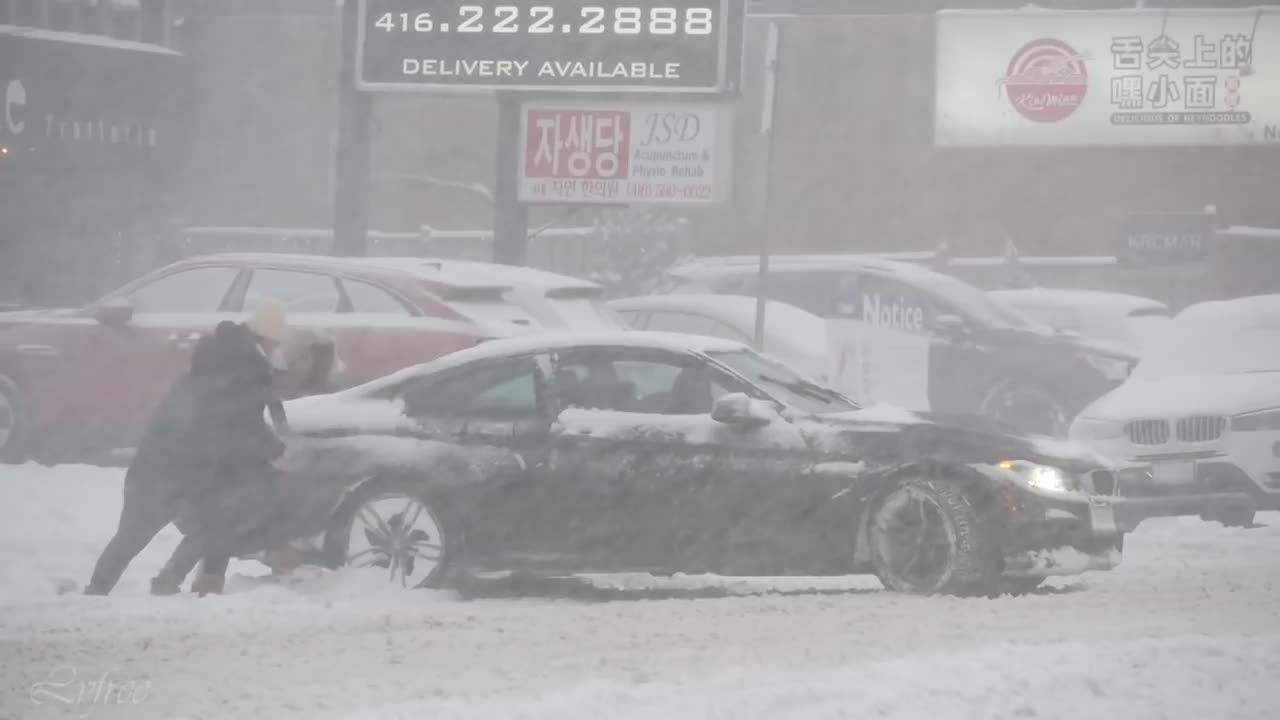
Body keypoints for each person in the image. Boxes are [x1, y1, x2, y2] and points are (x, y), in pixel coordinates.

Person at [84, 299, 292, 596]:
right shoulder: (246, 368)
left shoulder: (216, 357)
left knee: (134, 534)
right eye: (275, 344)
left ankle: (98, 588)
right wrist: (277, 449)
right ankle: (169, 582)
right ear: (268, 339)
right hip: (192, 466)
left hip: (159, 456)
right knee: (209, 525)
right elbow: (243, 421)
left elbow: (217, 413)